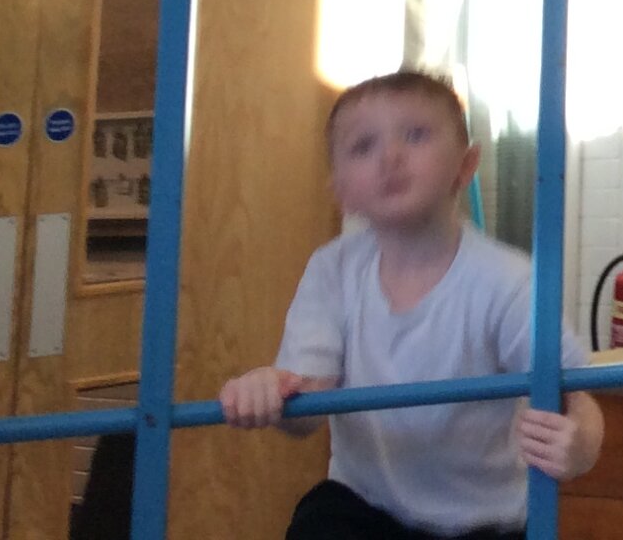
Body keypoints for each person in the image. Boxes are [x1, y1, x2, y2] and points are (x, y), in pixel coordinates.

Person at [219, 70, 602, 540]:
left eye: (416, 135)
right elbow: (309, 402)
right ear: (340, 191)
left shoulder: (505, 280)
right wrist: (269, 389)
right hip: (367, 505)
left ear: (466, 165)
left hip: (482, 522)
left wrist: (579, 446)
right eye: (364, 147)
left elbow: (577, 395)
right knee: (319, 521)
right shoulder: (332, 270)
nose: (391, 157)